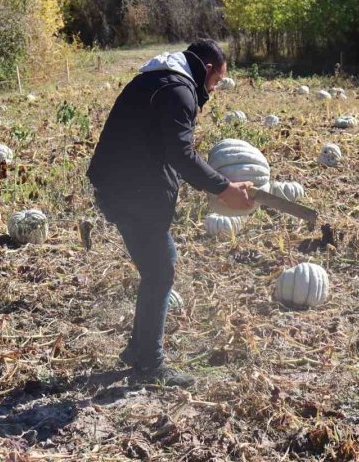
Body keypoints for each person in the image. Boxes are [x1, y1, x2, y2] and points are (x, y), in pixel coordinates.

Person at [87, 39, 253, 388]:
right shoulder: (178, 90)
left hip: (121, 183)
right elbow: (181, 154)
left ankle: (138, 350)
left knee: (159, 265)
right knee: (161, 271)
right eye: (216, 82)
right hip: (131, 189)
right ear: (208, 70)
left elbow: (161, 146)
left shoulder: (156, 78)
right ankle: (150, 364)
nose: (214, 90)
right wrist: (224, 188)